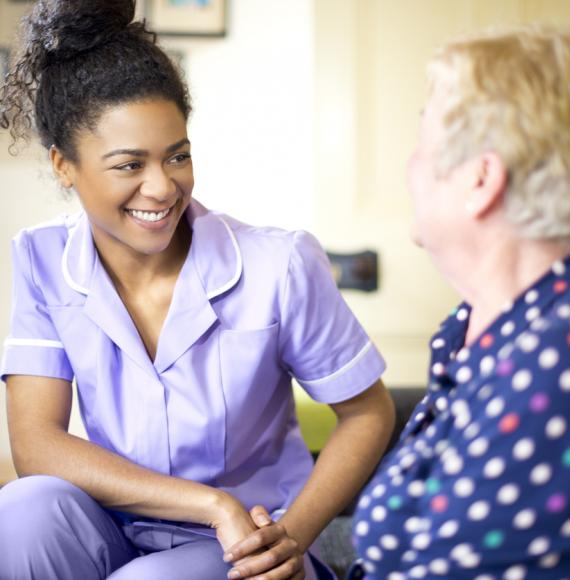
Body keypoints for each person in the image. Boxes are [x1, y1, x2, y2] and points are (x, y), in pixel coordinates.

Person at [0, 1, 396, 579]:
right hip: (124, 526)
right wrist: (211, 504)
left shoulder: (279, 264)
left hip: (245, 547)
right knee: (19, 511)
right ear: (64, 166)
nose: (161, 187)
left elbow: (369, 413)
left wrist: (290, 538)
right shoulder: (41, 258)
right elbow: (36, 445)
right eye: (129, 164)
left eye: (177, 156)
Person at [350, 25, 570, 579]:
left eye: (424, 141)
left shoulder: (553, 364)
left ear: (481, 180)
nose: (410, 166)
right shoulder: (473, 325)